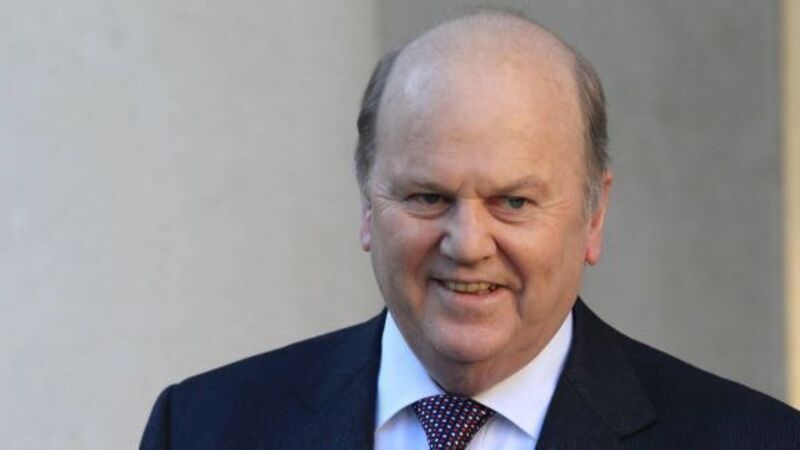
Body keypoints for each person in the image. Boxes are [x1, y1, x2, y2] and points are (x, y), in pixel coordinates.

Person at [140, 10, 800, 449]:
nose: (468, 243)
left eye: (513, 202)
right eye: (428, 197)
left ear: (593, 216)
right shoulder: (203, 429)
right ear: (368, 204)